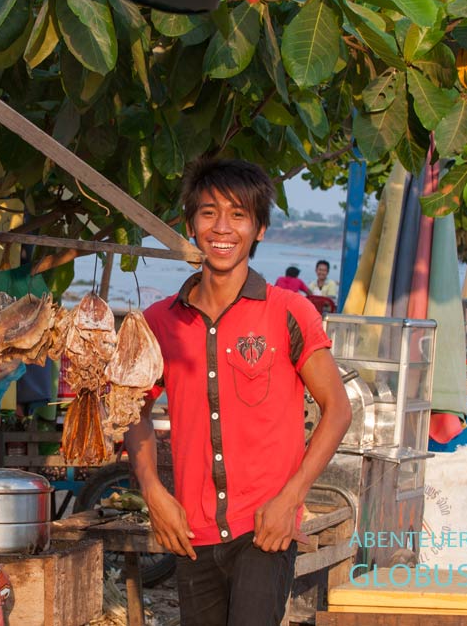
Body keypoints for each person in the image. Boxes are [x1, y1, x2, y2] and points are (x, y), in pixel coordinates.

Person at [126, 158, 351, 626]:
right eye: (208, 213)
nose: (222, 228)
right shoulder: (160, 322)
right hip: (192, 531)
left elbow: (337, 410)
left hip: (265, 529)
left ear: (259, 229)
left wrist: (291, 497)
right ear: (191, 225)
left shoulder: (289, 312)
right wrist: (153, 492)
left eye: (238, 214)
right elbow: (134, 411)